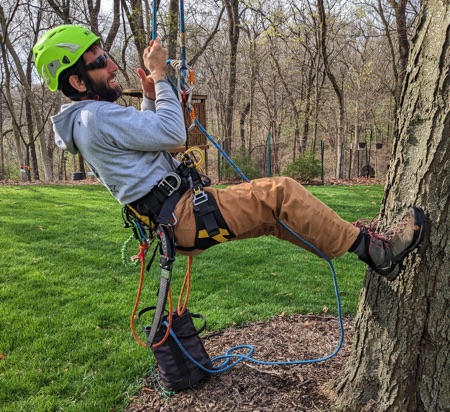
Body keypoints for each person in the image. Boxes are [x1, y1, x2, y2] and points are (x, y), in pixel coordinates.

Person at [33, 24, 425, 281]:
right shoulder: (94, 118)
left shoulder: (89, 118)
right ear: (76, 81)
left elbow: (155, 139)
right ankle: (378, 253)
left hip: (178, 216)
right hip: (182, 214)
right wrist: (160, 77)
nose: (113, 65)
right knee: (281, 192)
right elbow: (173, 135)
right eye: (100, 62)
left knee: (277, 218)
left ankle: (356, 243)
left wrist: (151, 98)